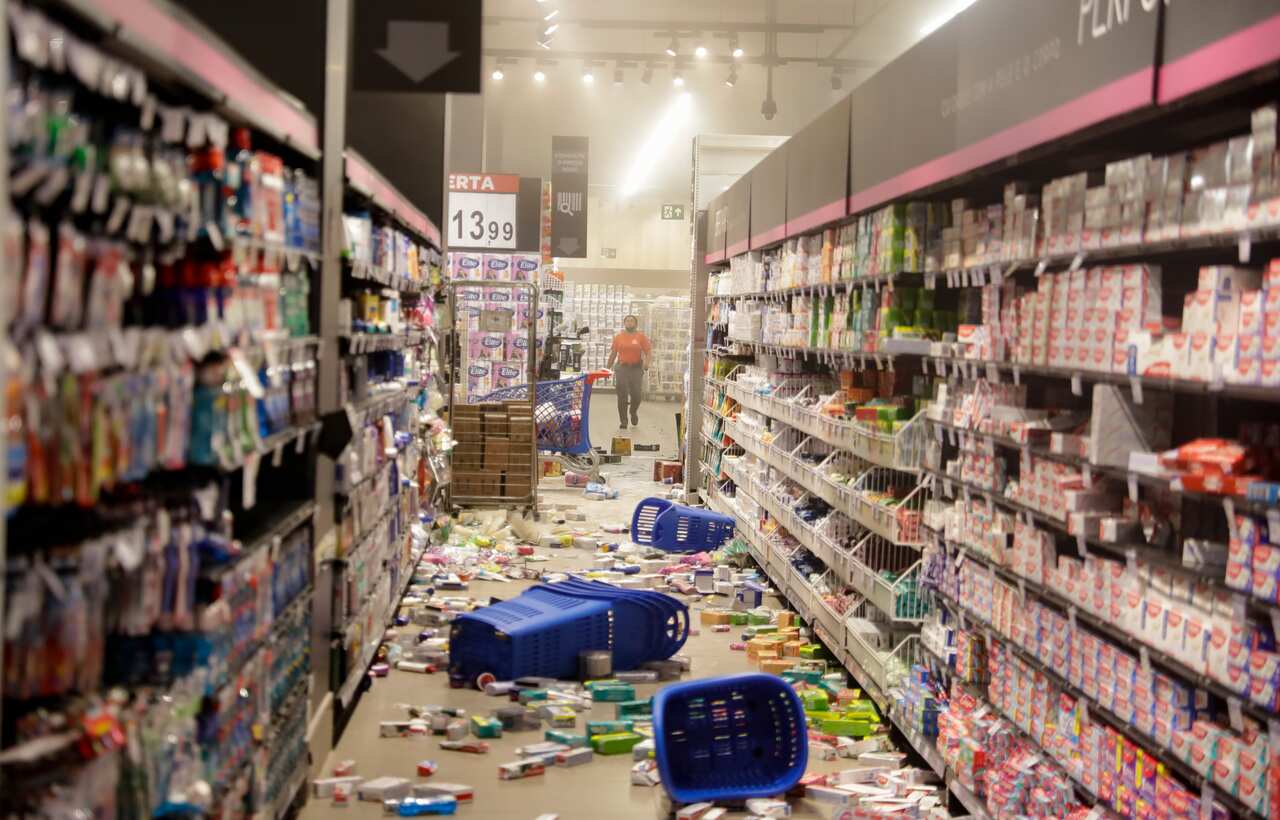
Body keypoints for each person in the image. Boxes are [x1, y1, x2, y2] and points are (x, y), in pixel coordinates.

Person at [606, 314, 652, 429]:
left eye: (632, 321)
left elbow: (648, 351)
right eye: (627, 321)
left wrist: (646, 363)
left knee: (636, 395)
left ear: (635, 324)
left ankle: (633, 411)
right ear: (624, 323)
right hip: (622, 368)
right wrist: (607, 368)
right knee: (622, 395)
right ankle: (624, 420)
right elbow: (613, 354)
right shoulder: (618, 337)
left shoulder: (641, 337)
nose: (629, 323)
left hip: (636, 368)